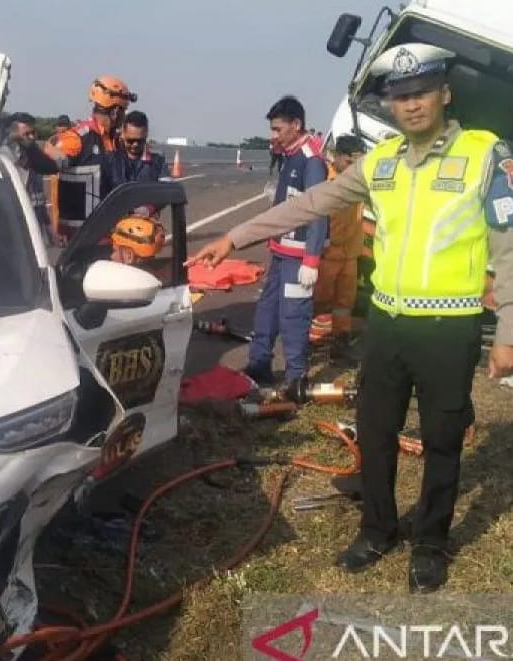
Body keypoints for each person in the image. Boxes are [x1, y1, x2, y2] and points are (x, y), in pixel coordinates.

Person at [186, 43, 513, 593]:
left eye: (421, 93)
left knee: (442, 439)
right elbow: (310, 204)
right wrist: (236, 236)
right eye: (400, 96)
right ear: (391, 104)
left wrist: (508, 330)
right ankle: (378, 528)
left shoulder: (485, 157)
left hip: (450, 329)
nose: (411, 105)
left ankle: (430, 542)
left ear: (444, 95)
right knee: (377, 431)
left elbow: (508, 249)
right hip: (387, 326)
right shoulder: (379, 164)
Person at [243, 95, 329, 387]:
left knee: (293, 317)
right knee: (267, 311)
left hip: (298, 257)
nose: (274, 135)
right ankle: (258, 365)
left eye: (278, 129)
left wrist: (312, 260)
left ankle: (295, 378)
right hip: (281, 252)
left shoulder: (311, 160)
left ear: (296, 124)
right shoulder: (291, 155)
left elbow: (319, 210)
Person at [313, 134, 367, 355]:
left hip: (350, 254)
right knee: (319, 300)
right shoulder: (323, 181)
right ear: (337, 157)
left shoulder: (360, 182)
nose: (353, 167)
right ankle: (309, 340)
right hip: (327, 255)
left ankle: (340, 339)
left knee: (345, 302)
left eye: (357, 163)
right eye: (349, 162)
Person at [0, 112, 64, 245]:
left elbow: (39, 201)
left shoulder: (35, 161)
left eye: (33, 133)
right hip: (15, 236)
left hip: (36, 237)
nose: (32, 137)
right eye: (26, 134)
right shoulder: (5, 162)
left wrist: (51, 231)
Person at [52, 76, 136, 167]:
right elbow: (52, 170)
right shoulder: (76, 139)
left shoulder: (117, 141)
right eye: (123, 111)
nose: (124, 116)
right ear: (114, 112)